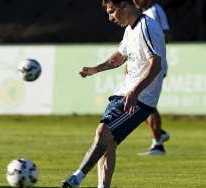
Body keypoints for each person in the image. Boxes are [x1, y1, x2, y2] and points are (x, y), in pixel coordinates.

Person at [61, 0, 167, 187]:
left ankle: (77, 177)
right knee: (108, 143)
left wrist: (134, 92)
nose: (110, 18)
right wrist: (95, 69)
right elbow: (119, 57)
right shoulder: (130, 29)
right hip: (124, 92)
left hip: (140, 99)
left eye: (112, 12)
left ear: (124, 5)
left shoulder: (147, 26)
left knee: (103, 132)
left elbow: (155, 64)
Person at [133, 0, 170, 156]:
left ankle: (158, 144)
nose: (135, 0)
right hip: (144, 65)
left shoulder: (155, 10)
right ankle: (159, 134)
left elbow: (166, 34)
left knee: (145, 104)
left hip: (154, 65)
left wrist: (154, 56)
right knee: (138, 103)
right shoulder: (142, 14)